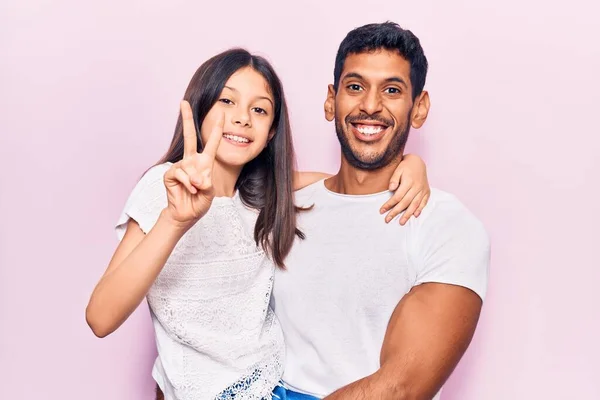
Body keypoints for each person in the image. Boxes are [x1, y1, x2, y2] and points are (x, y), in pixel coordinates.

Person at [85, 48, 431, 400]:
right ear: (201, 108)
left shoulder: (264, 193)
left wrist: (411, 163)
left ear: (271, 132)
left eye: (259, 109)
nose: (242, 119)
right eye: (227, 101)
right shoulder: (165, 186)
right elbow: (100, 317)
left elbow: (348, 181)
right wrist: (174, 221)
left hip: (276, 386)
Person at [271, 22, 491, 400]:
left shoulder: (447, 226)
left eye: (392, 90)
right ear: (331, 100)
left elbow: (399, 389)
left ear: (418, 108)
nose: (370, 106)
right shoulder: (286, 205)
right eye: (355, 87)